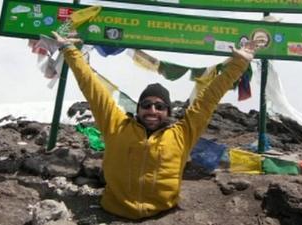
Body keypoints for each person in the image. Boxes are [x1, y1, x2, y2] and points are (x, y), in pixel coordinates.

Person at [52, 31, 255, 219]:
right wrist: (71, 51)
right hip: (113, 211)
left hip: (163, 215)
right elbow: (92, 88)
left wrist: (238, 64)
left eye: (159, 106)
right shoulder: (116, 125)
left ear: (168, 111)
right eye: (147, 105)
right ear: (138, 108)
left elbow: (209, 98)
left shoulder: (183, 133)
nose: (152, 110)